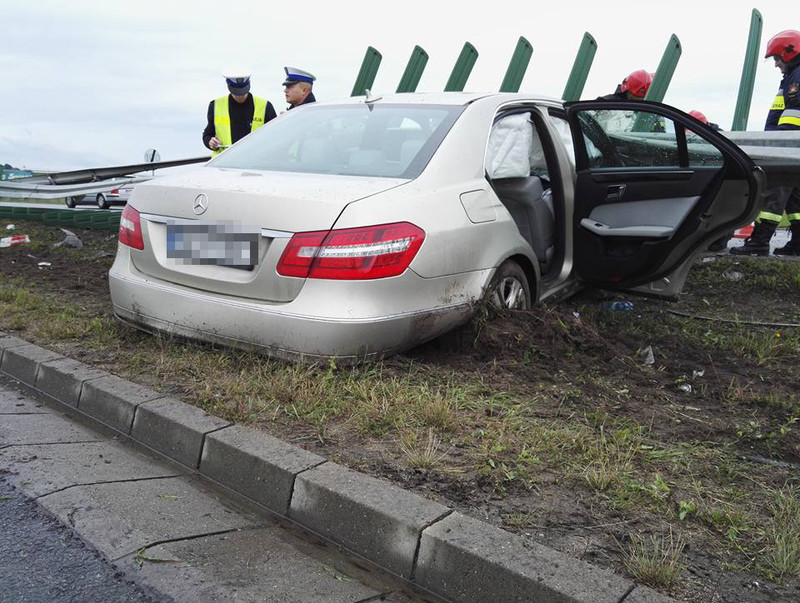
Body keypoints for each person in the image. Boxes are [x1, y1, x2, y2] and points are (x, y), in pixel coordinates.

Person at [731, 30, 800, 256]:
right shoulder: (793, 76)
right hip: (792, 145)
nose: (776, 64)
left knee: (775, 193)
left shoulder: (797, 78)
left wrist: (775, 144)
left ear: (790, 53)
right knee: (796, 201)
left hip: (787, 146)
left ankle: (759, 242)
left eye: (777, 58)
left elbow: (792, 118)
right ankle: (798, 244)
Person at [203, 71, 277, 155]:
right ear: (229, 87)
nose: (240, 96)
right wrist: (210, 142)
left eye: (243, 91)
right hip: (225, 164)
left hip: (255, 163)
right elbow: (207, 134)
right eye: (236, 92)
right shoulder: (215, 105)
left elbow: (275, 137)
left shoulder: (265, 106)